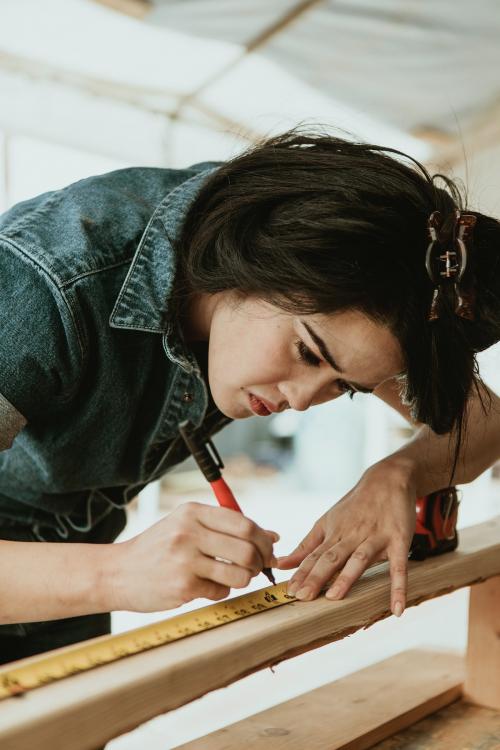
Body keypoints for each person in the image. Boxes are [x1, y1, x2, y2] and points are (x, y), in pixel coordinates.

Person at [0, 130, 498, 665]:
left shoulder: (354, 284)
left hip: (70, 565)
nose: (304, 402)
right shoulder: (43, 284)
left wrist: (400, 474)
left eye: (344, 388)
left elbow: (484, 420)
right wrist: (118, 573)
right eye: (308, 354)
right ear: (254, 263)